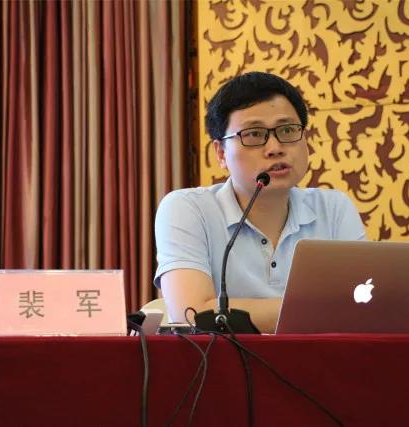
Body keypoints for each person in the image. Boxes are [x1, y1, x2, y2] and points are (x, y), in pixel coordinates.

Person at [154, 71, 365, 333]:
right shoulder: (187, 209)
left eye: (287, 130)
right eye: (254, 134)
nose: (275, 147)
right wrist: (324, 310)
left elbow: (361, 308)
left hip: (322, 358)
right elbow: (193, 313)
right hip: (222, 359)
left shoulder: (333, 208)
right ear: (221, 153)